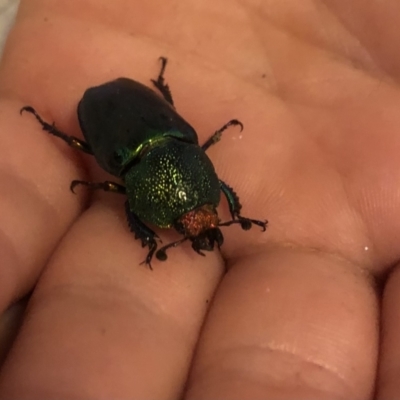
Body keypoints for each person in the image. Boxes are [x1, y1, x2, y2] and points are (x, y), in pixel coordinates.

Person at [0, 0, 396, 398]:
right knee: (93, 162)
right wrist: (156, 239)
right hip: (113, 118)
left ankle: (138, 97)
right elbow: (138, 203)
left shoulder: (183, 171)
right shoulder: (146, 182)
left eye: (200, 219)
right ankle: (50, 127)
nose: (204, 224)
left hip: (142, 130)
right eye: (202, 218)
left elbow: (214, 188)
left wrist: (228, 214)